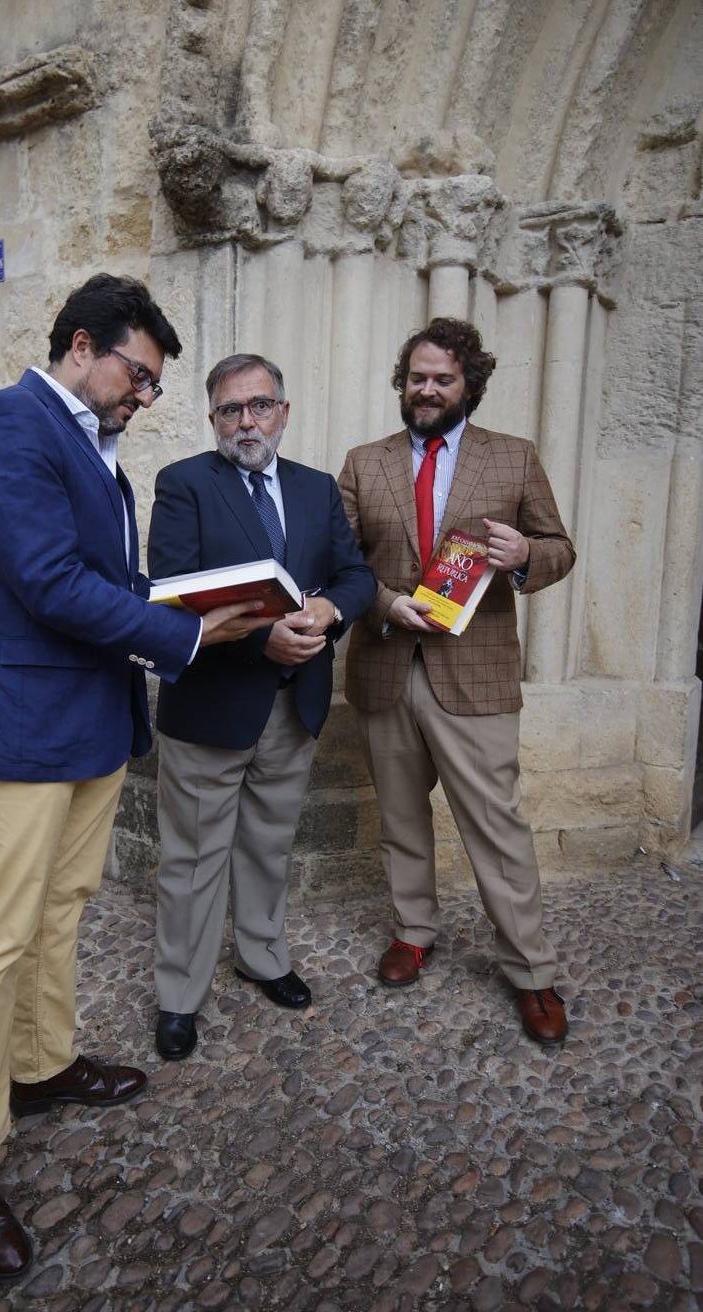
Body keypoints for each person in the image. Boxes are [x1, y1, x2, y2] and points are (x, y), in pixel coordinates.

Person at [0, 275, 271, 1283]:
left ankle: (38, 1068)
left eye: (156, 385)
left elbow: (104, 581)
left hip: (88, 716)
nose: (145, 396)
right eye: (140, 374)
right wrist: (183, 632)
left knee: (66, 905)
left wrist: (201, 603)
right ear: (83, 344)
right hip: (28, 718)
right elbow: (45, 581)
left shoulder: (86, 443)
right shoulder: (8, 427)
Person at [338, 317, 576, 1046]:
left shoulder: (513, 458)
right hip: (386, 664)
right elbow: (340, 562)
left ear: (469, 383)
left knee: (497, 829)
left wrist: (523, 553)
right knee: (402, 819)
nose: (428, 389)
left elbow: (560, 549)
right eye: (417, 377)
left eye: (443, 378)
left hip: (474, 674)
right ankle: (414, 930)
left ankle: (532, 972)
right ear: (402, 383)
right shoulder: (364, 461)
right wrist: (382, 603)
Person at [148, 353, 376, 1060]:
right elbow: (174, 590)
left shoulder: (314, 489)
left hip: (295, 705)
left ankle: (263, 956)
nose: (246, 421)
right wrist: (261, 643)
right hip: (214, 706)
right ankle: (179, 997)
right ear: (213, 418)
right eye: (229, 409)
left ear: (283, 411)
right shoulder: (184, 484)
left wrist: (331, 611)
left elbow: (356, 575)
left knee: (269, 846)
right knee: (191, 859)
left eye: (259, 405)